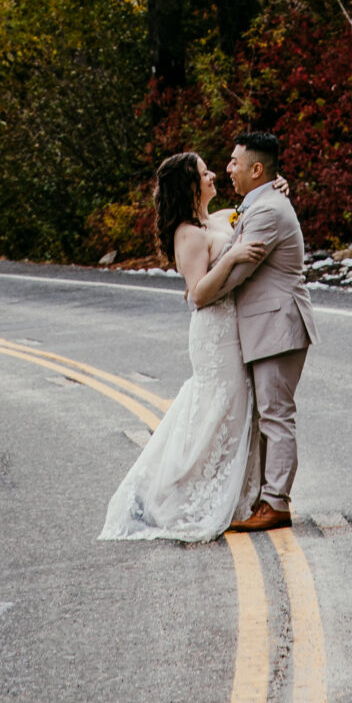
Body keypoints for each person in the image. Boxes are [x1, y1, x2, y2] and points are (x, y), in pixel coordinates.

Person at [98, 151, 263, 542]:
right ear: (190, 185)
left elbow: (246, 211)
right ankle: (169, 496)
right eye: (204, 173)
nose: (212, 175)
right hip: (212, 333)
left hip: (232, 329)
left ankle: (236, 491)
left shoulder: (217, 219)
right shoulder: (188, 233)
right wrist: (232, 258)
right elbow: (197, 293)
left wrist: (276, 187)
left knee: (234, 411)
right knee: (217, 409)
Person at [208, 129, 316, 534]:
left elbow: (238, 271)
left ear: (257, 169)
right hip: (267, 324)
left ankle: (276, 503)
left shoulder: (268, 209)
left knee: (276, 415)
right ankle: (267, 496)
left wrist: (203, 292)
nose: (228, 168)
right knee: (268, 414)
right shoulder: (260, 203)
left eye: (235, 162)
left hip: (278, 322)